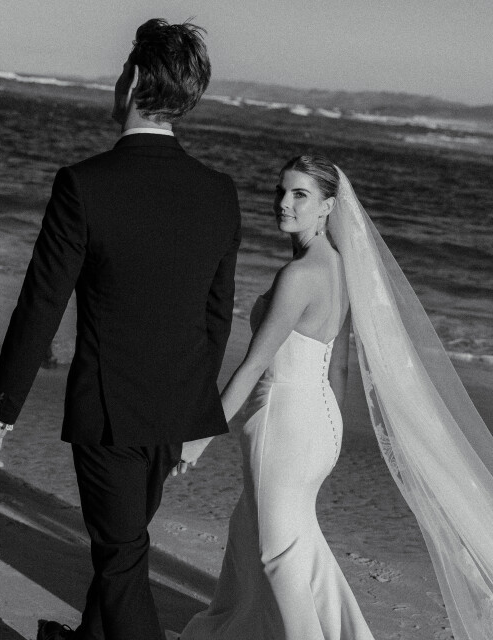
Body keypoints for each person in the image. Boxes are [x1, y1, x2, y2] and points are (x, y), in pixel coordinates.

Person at [0, 18, 240, 640]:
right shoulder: (219, 192)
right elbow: (217, 314)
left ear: (134, 80)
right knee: (121, 546)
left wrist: (0, 413)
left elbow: (41, 304)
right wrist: (194, 417)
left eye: (122, 70)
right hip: (174, 410)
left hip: (109, 412)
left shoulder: (84, 184)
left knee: (122, 558)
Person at [180, 156, 493, 640]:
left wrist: (201, 436)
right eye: (281, 191)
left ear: (328, 206)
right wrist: (331, 433)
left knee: (277, 554)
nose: (284, 203)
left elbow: (254, 364)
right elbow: (338, 366)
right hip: (319, 422)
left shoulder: (300, 275)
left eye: (300, 195)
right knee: (272, 537)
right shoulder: (343, 269)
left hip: (284, 423)